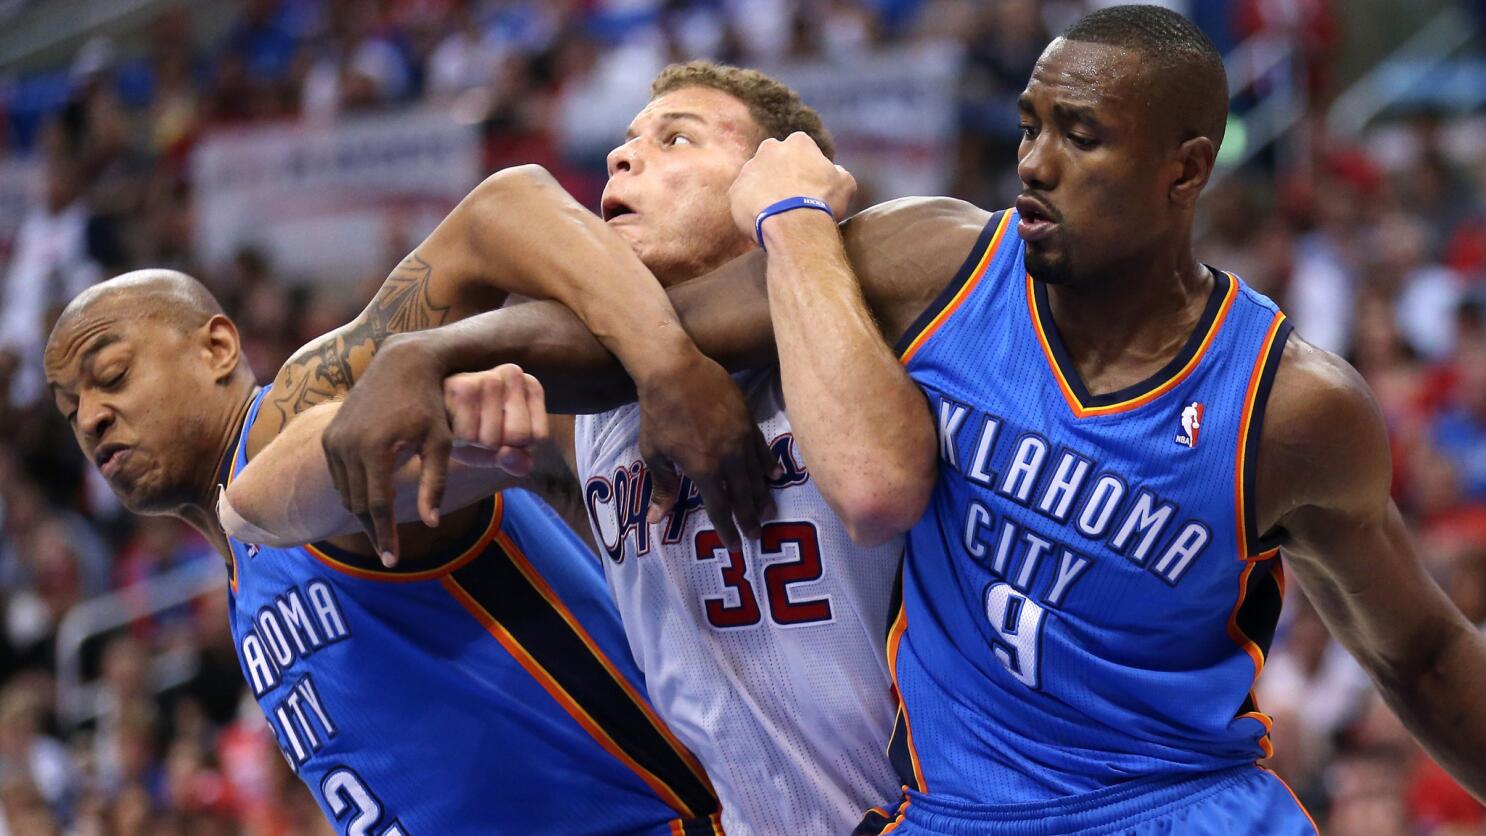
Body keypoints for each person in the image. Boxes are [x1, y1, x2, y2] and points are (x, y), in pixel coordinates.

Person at [306, 6, 1486, 833]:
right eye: (1028, 124)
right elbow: (623, 342)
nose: (1033, 161)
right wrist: (433, 348)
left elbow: (1423, 653)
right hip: (956, 807)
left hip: (1181, 798)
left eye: (1079, 137)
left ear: (1186, 172)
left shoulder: (1290, 404)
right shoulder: (936, 258)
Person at [224, 62, 917, 835]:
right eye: (625, 143)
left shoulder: (872, 310)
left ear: (774, 172)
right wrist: (442, 401)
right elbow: (253, 506)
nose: (623, 158)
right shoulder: (577, 396)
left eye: (675, 138)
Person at [41, 235, 757, 832]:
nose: (92, 417)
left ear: (219, 346)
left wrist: (659, 358)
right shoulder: (242, 567)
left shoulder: (278, 438)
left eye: (113, 374)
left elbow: (503, 209)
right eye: (71, 410)